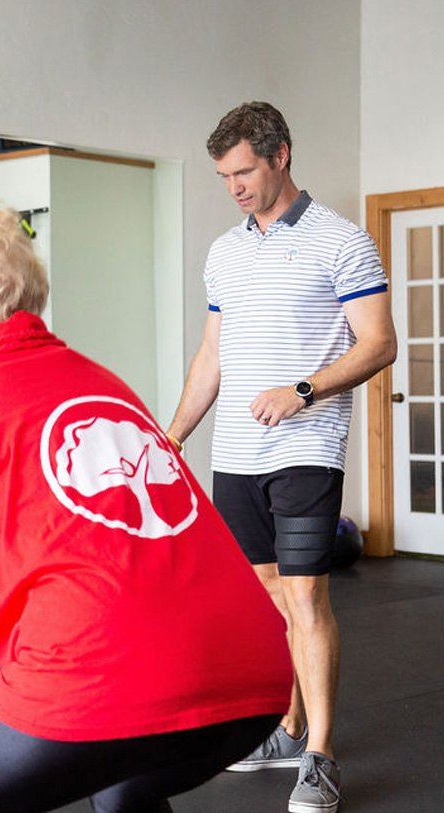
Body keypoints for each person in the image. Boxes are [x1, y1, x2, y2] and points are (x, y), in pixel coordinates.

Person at [0, 206, 294, 813]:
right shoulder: (104, 384)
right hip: (258, 675)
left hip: (101, 677)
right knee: (122, 783)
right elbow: (86, 533)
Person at [166, 102, 396, 813]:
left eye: (243, 170)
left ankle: (320, 755)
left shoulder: (342, 242)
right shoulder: (224, 251)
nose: (232, 186)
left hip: (305, 447)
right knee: (267, 601)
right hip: (237, 453)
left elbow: (378, 344)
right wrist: (172, 435)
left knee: (305, 595)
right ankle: (286, 725)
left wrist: (305, 389)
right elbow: (213, 354)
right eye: (222, 175)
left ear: (281, 155)